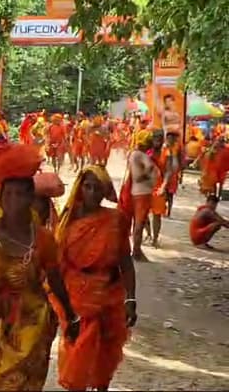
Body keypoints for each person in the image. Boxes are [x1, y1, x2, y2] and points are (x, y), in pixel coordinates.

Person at [0, 143, 79, 390]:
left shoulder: (43, 238)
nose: (13, 201)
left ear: (31, 198)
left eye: (20, 195)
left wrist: (71, 317)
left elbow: (56, 282)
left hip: (34, 326)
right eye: (8, 194)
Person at [54, 165, 137, 391]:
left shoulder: (115, 219)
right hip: (76, 294)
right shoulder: (67, 220)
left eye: (97, 188)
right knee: (79, 348)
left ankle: (101, 387)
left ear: (105, 191)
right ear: (80, 189)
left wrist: (130, 299)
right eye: (88, 187)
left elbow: (125, 261)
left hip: (109, 294)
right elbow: (56, 262)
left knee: (106, 350)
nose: (92, 192)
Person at [121, 129, 156, 262]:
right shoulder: (138, 155)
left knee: (140, 223)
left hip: (142, 193)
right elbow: (138, 177)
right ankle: (136, 251)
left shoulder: (137, 154)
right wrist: (150, 170)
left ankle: (137, 249)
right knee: (139, 224)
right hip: (141, 193)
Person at [147, 130, 170, 247]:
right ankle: (148, 234)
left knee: (157, 214)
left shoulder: (166, 153)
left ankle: (155, 238)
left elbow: (167, 172)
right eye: (156, 137)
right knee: (143, 213)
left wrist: (163, 187)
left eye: (160, 138)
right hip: (145, 186)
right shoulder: (147, 151)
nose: (158, 140)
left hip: (158, 187)